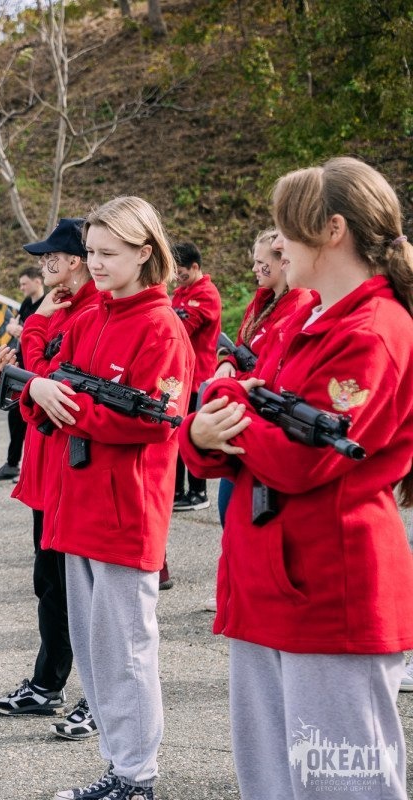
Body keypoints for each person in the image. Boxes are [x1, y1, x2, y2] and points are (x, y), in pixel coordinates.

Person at [181, 157, 413, 800]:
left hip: (327, 585)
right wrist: (204, 431)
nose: (276, 243)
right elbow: (230, 422)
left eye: (286, 229)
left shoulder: (374, 331)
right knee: (270, 778)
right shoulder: (303, 314)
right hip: (271, 579)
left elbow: (304, 460)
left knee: (344, 781)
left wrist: (229, 418)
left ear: (332, 230)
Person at [23, 197, 193, 800]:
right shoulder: (91, 317)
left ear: (146, 252)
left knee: (125, 653)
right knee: (96, 656)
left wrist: (68, 407)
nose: (92, 263)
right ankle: (120, 767)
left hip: (123, 511)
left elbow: (157, 419)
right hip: (78, 505)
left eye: (106, 253)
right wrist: (41, 393)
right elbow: (41, 375)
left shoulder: (160, 326)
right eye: (90, 251)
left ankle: (136, 776)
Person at [0, 218, 100, 740]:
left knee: (82, 593)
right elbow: (21, 379)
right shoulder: (62, 308)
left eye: (50, 258)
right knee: (51, 585)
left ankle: (97, 696)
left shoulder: (86, 310)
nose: (42, 266)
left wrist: (33, 334)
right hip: (47, 469)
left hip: (70, 469)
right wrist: (25, 367)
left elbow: (46, 378)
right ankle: (49, 682)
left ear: (73, 260)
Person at [201, 230, 314, 613]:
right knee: (230, 516)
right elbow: (233, 348)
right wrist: (227, 363)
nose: (254, 269)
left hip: (261, 418)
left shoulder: (298, 303)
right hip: (240, 410)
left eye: (261, 261)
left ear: (284, 261)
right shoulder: (261, 301)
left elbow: (271, 366)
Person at [171, 242, 222, 511]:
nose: (178, 279)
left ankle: (199, 492)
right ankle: (178, 490)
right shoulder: (180, 292)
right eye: (175, 275)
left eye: (182, 273)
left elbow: (183, 327)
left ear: (195, 267)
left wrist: (172, 317)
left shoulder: (207, 293)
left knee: (194, 435)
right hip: (181, 375)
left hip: (199, 377)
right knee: (177, 434)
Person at [0, 267, 46, 481]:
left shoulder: (45, 304)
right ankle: (13, 463)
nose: (21, 288)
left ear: (37, 281)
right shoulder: (26, 304)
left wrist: (21, 331)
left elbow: (40, 334)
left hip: (33, 370)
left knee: (31, 420)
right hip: (20, 365)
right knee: (15, 416)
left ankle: (22, 465)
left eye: (24, 283)